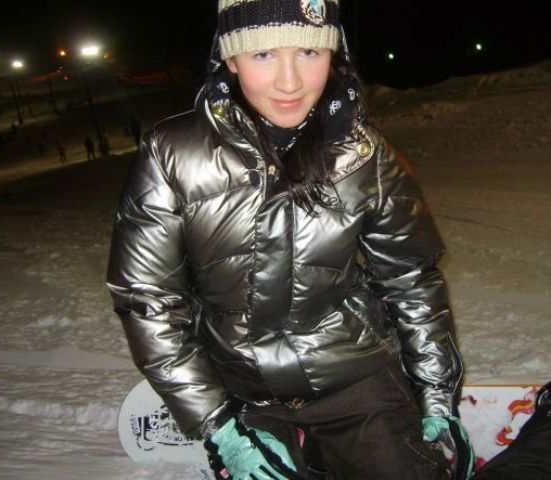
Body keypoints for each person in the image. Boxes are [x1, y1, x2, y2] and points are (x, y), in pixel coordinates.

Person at [107, 1, 473, 479]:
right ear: (230, 59)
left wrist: (435, 393)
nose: (290, 82)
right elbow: (148, 300)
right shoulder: (173, 154)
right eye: (263, 55)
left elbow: (410, 278)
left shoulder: (365, 154)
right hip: (238, 390)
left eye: (308, 52)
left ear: (333, 55)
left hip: (353, 376)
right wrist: (218, 425)